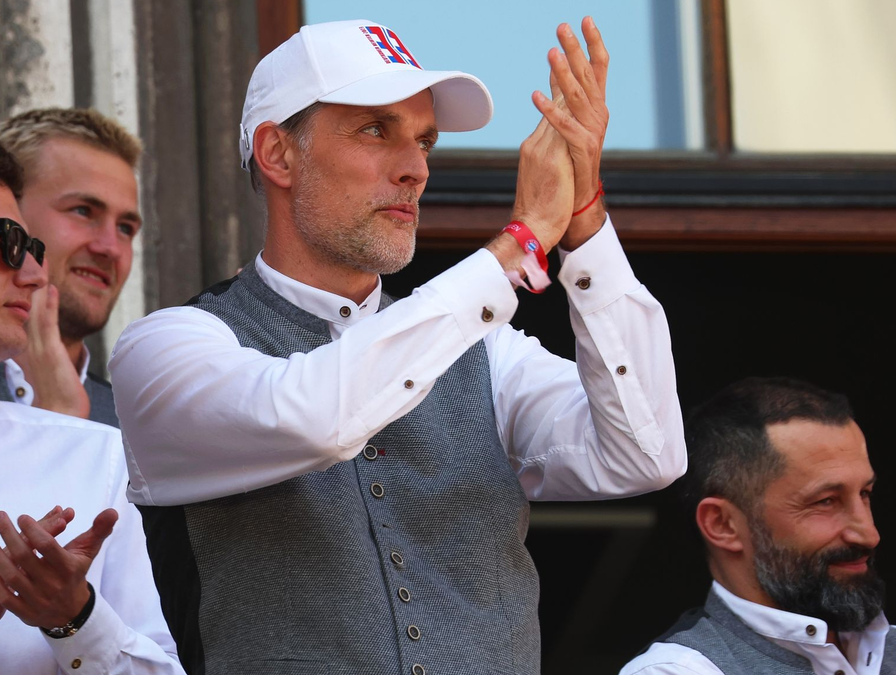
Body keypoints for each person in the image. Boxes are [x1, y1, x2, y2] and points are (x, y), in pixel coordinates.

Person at [110, 17, 685, 675]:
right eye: (376, 130)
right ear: (277, 153)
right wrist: (519, 245)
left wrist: (582, 219)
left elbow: (648, 452)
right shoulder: (166, 348)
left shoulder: (488, 352)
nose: (414, 168)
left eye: (425, 141)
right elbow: (314, 418)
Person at [0, 132, 182, 674]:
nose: (33, 275)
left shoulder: (99, 459)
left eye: (34, 250)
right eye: (6, 243)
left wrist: (76, 619)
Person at [621, 377, 896, 675]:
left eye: (865, 493)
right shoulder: (677, 671)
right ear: (723, 524)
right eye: (825, 501)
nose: (869, 533)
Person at [0, 108, 142, 428]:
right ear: (3, 214)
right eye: (82, 210)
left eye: (125, 228)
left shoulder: (138, 432)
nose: (110, 248)